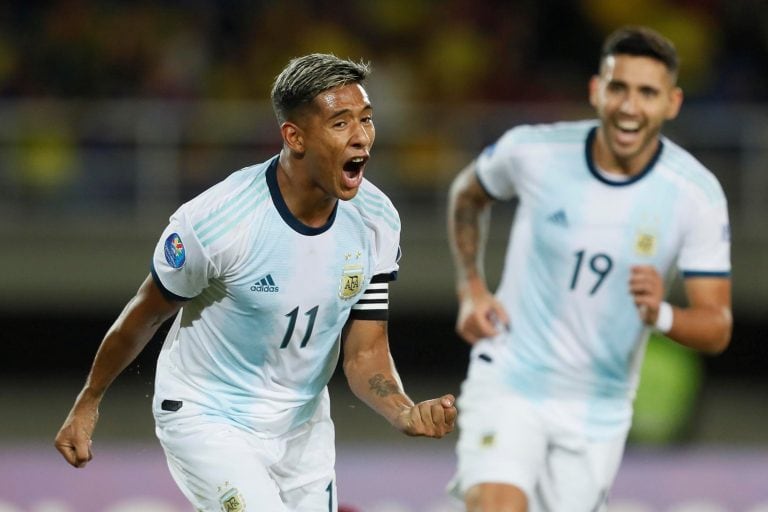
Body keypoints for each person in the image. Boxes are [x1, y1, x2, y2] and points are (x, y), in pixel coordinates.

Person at [55, 53, 457, 512]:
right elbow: (142, 318)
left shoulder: (377, 218)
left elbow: (366, 349)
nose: (362, 137)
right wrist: (89, 401)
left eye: (366, 119)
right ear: (295, 136)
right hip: (208, 417)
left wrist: (403, 410)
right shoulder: (218, 223)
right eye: (341, 123)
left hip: (302, 428)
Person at [446, 26, 731, 511]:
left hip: (598, 406)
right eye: (618, 88)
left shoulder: (695, 196)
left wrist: (660, 313)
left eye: (647, 93)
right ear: (597, 90)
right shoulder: (534, 151)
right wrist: (471, 287)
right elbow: (467, 195)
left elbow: (717, 327)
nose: (629, 106)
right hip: (512, 375)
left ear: (672, 103)